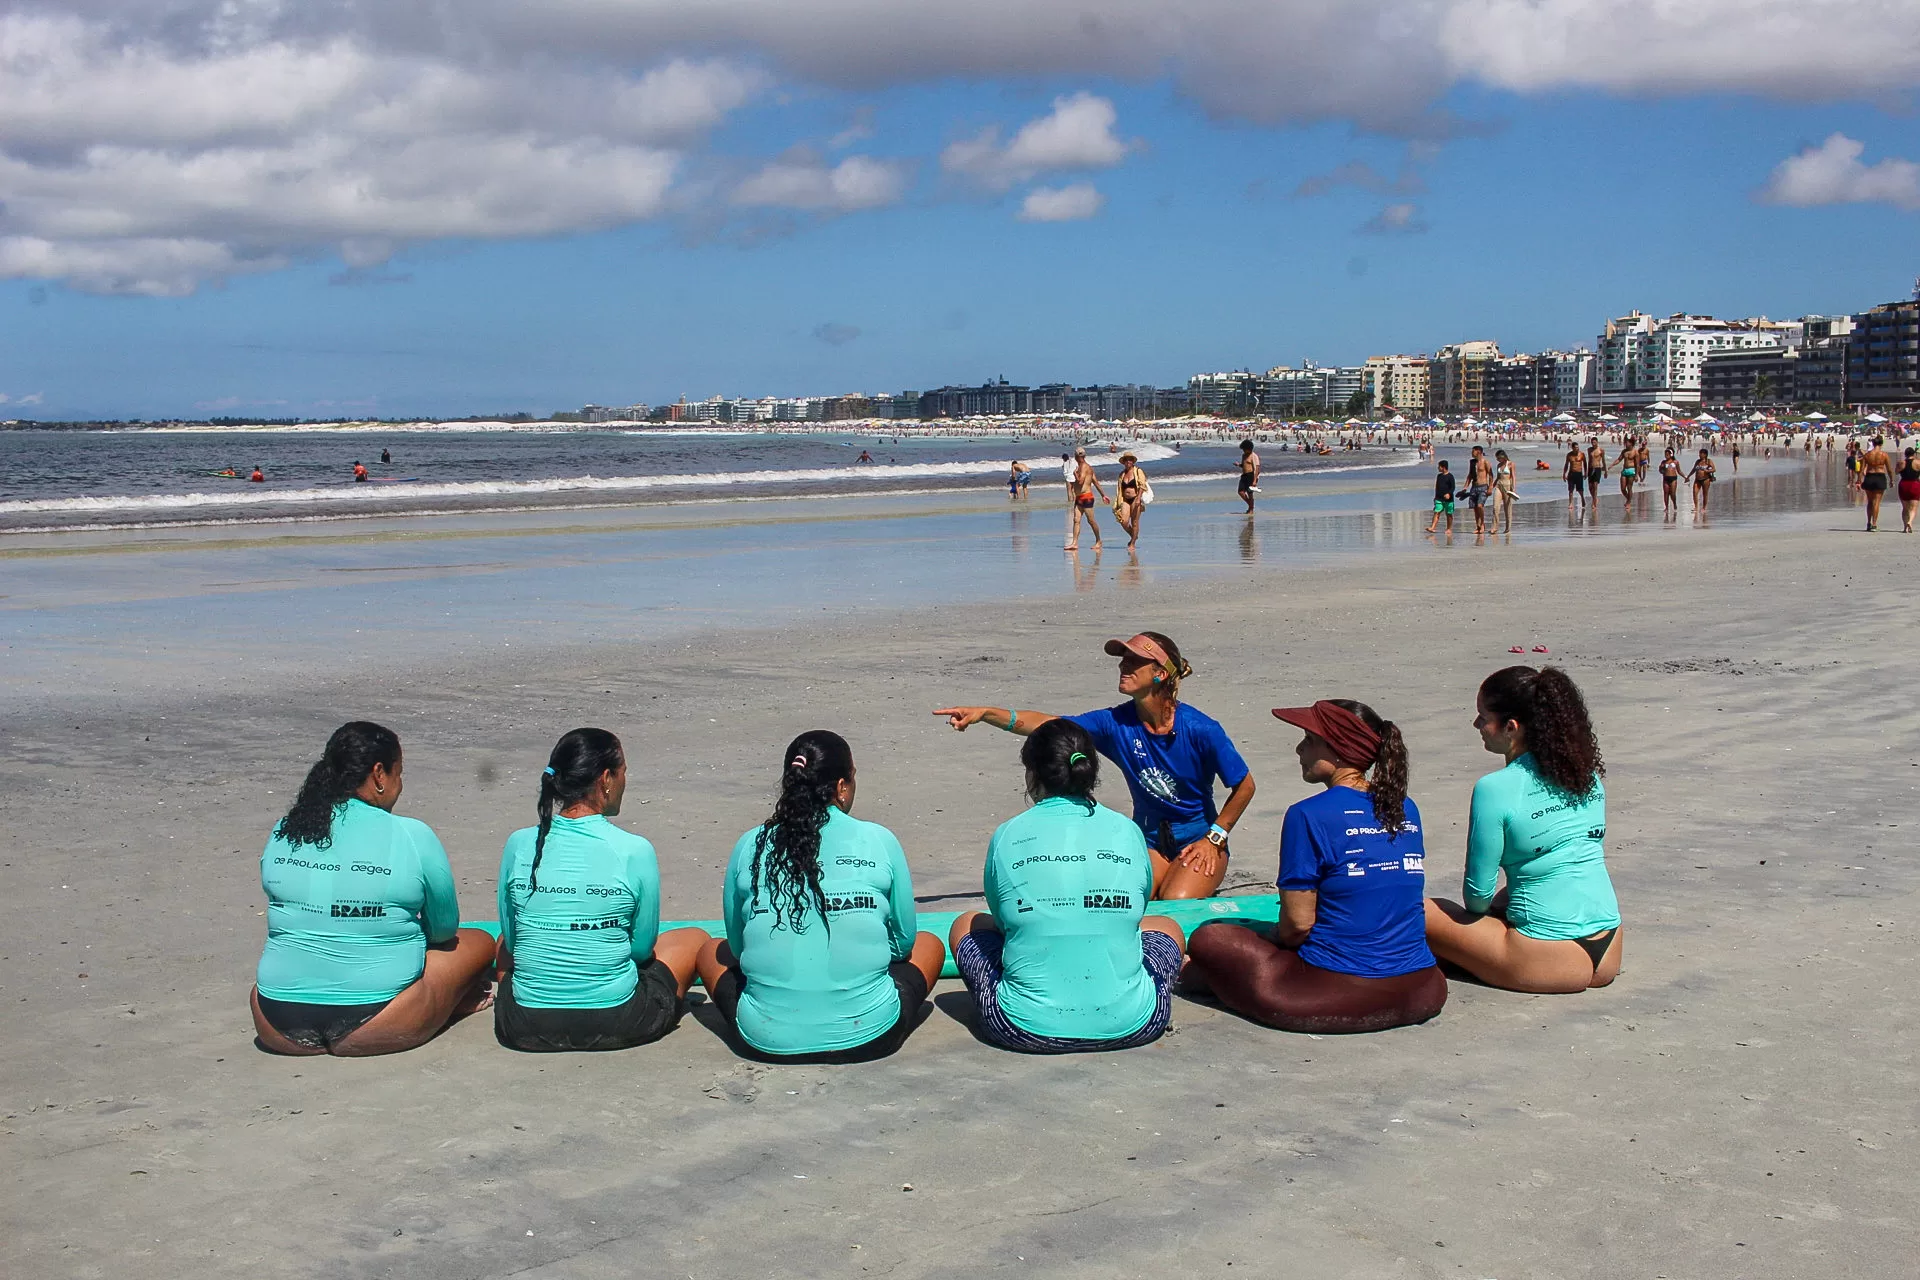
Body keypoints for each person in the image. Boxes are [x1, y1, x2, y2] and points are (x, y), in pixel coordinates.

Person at [1184, 700, 1447, 1033]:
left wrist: (1268, 935)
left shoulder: (1308, 814)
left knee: (1212, 937)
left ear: (1337, 749)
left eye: (1309, 740)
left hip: (1338, 991)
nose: (1299, 749)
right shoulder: (1405, 806)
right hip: (1424, 988)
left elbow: (1298, 926)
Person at [933, 632, 1255, 899]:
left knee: (1176, 901)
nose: (1123, 666)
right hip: (1150, 842)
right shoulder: (1115, 723)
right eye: (1122, 660)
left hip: (1198, 841)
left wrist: (1215, 837)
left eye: (1134, 661)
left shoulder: (1200, 729)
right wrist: (986, 713)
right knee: (1126, 902)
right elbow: (1049, 723)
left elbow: (1245, 785)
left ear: (1159, 673)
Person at [695, 732, 944, 1062]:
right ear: (842, 787)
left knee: (712, 949)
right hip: (871, 1034)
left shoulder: (750, 844)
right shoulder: (879, 839)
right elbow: (902, 944)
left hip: (765, 1037)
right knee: (930, 944)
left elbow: (739, 950)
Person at [251, 722, 496, 1055]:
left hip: (274, 1020)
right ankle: (448, 1002)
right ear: (379, 774)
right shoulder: (411, 834)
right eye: (399, 773)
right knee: (478, 941)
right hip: (380, 1018)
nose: (400, 784)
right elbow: (443, 929)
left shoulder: (287, 827)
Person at [948, 719, 1186, 1053]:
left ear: (1032, 775)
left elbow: (1003, 924)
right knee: (1167, 926)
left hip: (1021, 1028)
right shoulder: (1127, 830)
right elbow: (1136, 912)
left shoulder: (1008, 834)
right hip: (1136, 1024)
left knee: (966, 924)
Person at [494, 729, 709, 1052]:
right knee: (693, 940)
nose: (625, 781)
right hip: (618, 1019)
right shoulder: (634, 850)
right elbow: (640, 949)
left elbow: (512, 940)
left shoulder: (519, 844)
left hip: (524, 1025)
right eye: (623, 772)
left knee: (502, 943)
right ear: (606, 779)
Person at [1424, 666, 1622, 993]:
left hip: (1546, 958)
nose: (1477, 725)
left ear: (1511, 727)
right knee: (1520, 889)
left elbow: (1476, 897)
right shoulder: (1587, 777)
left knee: (1425, 911)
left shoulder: (1495, 788)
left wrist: (1484, 914)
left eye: (1483, 716)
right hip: (1609, 948)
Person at [1065, 447, 1107, 551]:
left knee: (1091, 521)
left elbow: (1080, 481)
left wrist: (1075, 474)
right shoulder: (1085, 467)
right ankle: (1074, 543)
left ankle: (1098, 540)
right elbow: (1095, 482)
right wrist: (1103, 495)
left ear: (1076, 457)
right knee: (1076, 520)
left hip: (1086, 497)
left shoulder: (1084, 467)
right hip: (1079, 498)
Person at [1113, 452, 1149, 549]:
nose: (1128, 461)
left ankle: (1132, 543)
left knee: (1135, 522)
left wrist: (1138, 498)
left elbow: (1142, 485)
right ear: (1124, 462)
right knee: (1123, 521)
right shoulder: (1122, 474)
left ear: (1132, 461)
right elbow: (1119, 490)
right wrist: (1117, 503)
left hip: (1135, 499)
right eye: (1126, 460)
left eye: (1130, 459)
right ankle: (1134, 536)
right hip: (1125, 500)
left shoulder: (1138, 471)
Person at [1860, 435, 1894, 532]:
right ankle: (1874, 524)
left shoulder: (1867, 455)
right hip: (1879, 476)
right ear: (1881, 444)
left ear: (1873, 444)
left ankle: (1868, 523)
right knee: (1876, 502)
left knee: (1870, 502)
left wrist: (1859, 481)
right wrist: (1891, 480)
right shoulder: (1884, 455)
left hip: (1869, 477)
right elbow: (1889, 469)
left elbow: (1862, 470)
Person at [1464, 446, 1494, 534]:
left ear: (1479, 452)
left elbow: (1491, 475)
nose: (1472, 453)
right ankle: (1478, 526)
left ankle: (1483, 525)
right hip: (1474, 487)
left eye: (1473, 451)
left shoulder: (1485, 462)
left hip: (1483, 487)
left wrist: (1490, 487)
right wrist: (1465, 487)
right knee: (1475, 508)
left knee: (1480, 506)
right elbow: (1470, 475)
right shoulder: (1472, 462)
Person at [1425, 459, 1455, 535]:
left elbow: (1453, 487)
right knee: (1437, 512)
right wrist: (1435, 497)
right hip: (1439, 498)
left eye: (1439, 467)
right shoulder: (1439, 476)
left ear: (1443, 467)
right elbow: (1437, 487)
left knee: (1449, 514)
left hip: (1449, 499)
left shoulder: (1450, 476)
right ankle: (1433, 527)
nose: (1438, 468)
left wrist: (1449, 494)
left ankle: (1449, 528)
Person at [1493, 449, 1517, 533]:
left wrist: (1513, 488)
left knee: (1507, 508)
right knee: (1495, 507)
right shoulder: (1498, 465)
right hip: (1499, 485)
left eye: (1498, 458)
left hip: (1507, 486)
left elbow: (1513, 476)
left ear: (1503, 457)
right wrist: (1491, 486)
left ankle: (1507, 527)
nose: (1497, 460)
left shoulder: (1510, 464)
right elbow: (1497, 477)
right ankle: (1495, 527)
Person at [1685, 447, 1716, 513]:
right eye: (1699, 453)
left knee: (1705, 494)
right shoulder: (1698, 461)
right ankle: (1696, 507)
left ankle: (1704, 507)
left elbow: (1714, 469)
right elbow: (1694, 469)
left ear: (1705, 454)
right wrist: (1688, 476)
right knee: (1694, 492)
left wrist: (1707, 471)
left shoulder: (1709, 461)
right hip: (1697, 479)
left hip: (1706, 479)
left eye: (1701, 454)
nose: (1699, 455)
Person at [1897, 447, 1920, 534]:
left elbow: (1896, 471)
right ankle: (1910, 522)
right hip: (1915, 484)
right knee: (1913, 508)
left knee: (1905, 508)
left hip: (1904, 484)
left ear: (1905, 454)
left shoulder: (1901, 463)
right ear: (1913, 454)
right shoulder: (1918, 463)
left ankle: (1905, 527)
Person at [1237, 439, 1262, 513]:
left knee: (1249, 494)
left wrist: (1255, 480)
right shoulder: (1244, 455)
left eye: (1245, 449)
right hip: (1244, 475)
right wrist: (1239, 465)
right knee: (1240, 492)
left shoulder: (1254, 456)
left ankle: (1251, 509)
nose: (1243, 451)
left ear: (1249, 449)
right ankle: (1251, 505)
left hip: (1251, 476)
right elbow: (1244, 465)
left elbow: (1257, 468)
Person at [1562, 443, 1586, 511]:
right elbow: (1566, 465)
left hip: (1579, 473)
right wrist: (1564, 474)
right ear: (1572, 448)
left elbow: (1585, 464)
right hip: (1571, 474)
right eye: (1575, 447)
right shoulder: (1569, 455)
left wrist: (1586, 473)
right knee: (1570, 490)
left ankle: (1582, 499)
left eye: (1577, 447)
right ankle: (1570, 503)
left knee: (1580, 490)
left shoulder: (1582, 454)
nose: (1577, 449)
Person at [1658, 448, 1682, 514]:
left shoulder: (1675, 462)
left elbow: (1679, 471)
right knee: (1666, 493)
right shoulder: (1663, 462)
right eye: (1665, 454)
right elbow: (1660, 471)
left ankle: (1674, 503)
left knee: (1672, 493)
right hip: (1666, 478)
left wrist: (1685, 477)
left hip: (1673, 478)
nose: (1666, 456)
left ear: (1671, 454)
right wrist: (1661, 467)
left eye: (1667, 454)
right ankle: (1666, 507)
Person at [1617, 438, 1639, 505]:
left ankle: (1628, 502)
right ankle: (1628, 499)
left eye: (1627, 443)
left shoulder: (1635, 452)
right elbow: (1619, 459)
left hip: (1631, 471)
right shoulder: (1624, 451)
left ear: (1631, 444)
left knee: (1629, 487)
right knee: (1623, 488)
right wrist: (1611, 465)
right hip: (1624, 471)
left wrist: (1636, 475)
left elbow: (1637, 465)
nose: (1625, 444)